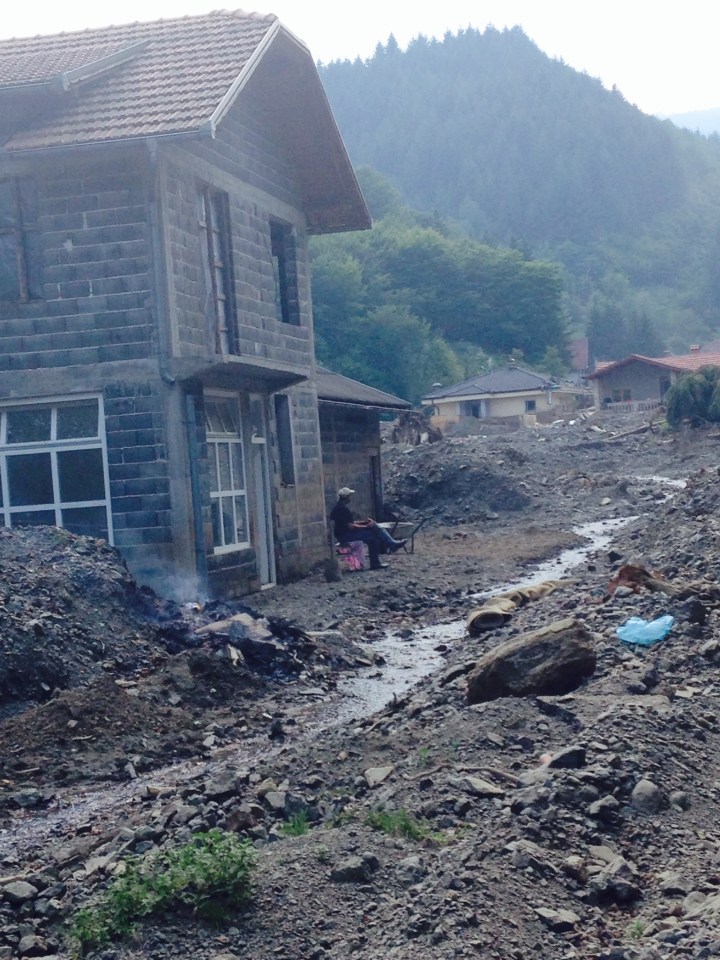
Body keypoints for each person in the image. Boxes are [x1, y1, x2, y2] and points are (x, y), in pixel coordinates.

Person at [330, 487, 407, 571]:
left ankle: (391, 544)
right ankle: (383, 554)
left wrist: (364, 522)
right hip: (345, 536)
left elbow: (349, 523)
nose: (350, 498)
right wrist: (366, 526)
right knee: (373, 537)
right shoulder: (343, 510)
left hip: (343, 534)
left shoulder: (338, 508)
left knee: (373, 527)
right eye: (349, 496)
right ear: (346, 497)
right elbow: (351, 527)